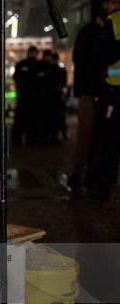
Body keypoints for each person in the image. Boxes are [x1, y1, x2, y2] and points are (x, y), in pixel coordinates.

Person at [69, 4, 106, 190]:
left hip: (92, 91)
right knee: (88, 133)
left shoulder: (88, 32)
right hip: (93, 91)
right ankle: (83, 173)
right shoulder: (94, 33)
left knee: (89, 133)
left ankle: (84, 172)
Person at [89, 0, 120, 200]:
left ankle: (104, 186)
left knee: (109, 139)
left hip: (115, 90)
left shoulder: (112, 22)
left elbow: (105, 56)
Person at [12, 46, 41, 146]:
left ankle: (24, 140)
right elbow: (16, 77)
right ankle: (28, 140)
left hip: (27, 96)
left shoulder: (23, 64)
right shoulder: (37, 65)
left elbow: (16, 78)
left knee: (24, 119)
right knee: (29, 119)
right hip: (29, 96)